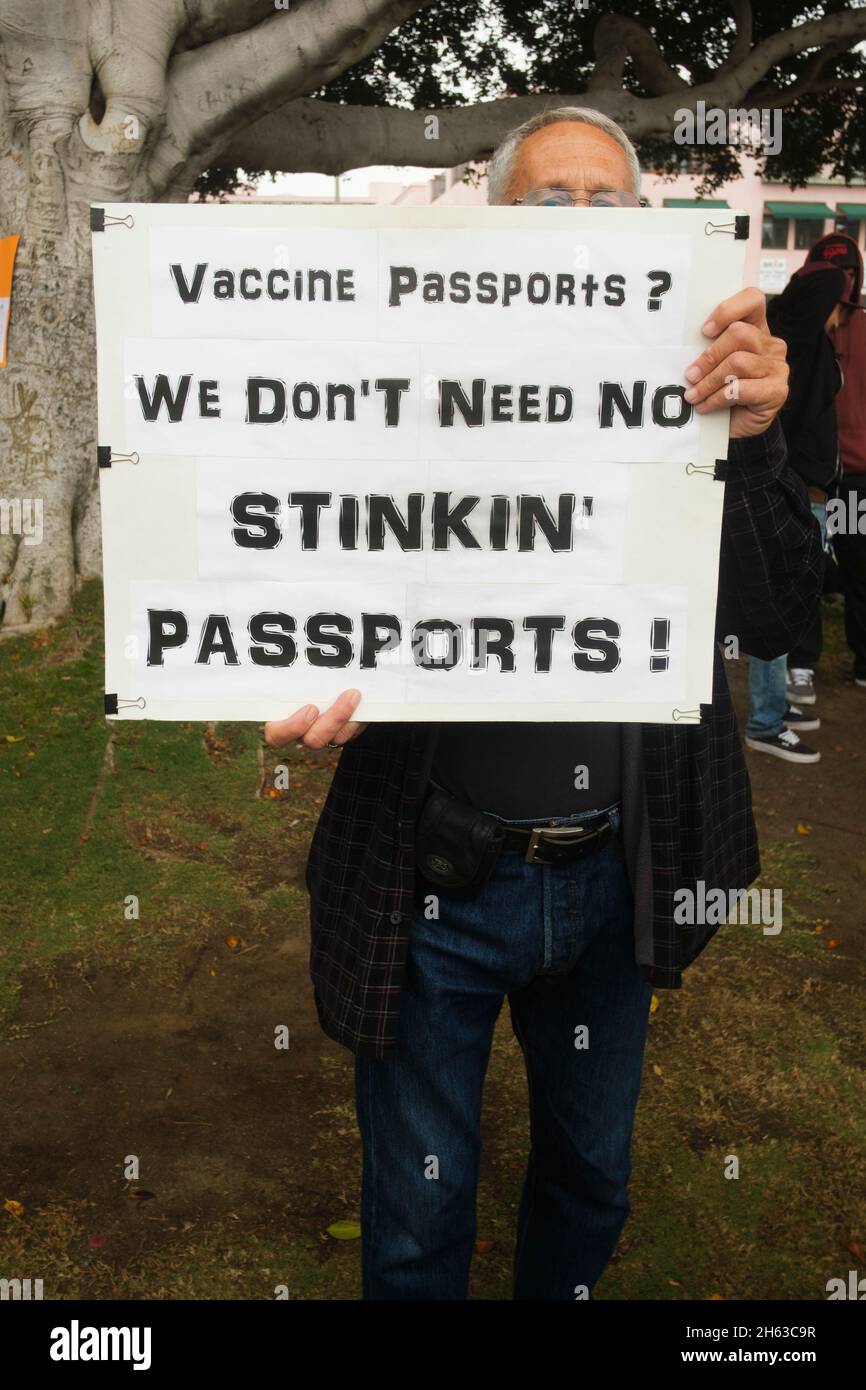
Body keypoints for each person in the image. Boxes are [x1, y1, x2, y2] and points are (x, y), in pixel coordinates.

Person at [265, 108, 822, 1301]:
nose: (577, 223)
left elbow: (775, 620)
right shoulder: (399, 383)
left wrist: (761, 440)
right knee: (416, 1208)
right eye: (544, 200)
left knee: (590, 1174)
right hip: (433, 878)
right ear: (489, 230)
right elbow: (305, 563)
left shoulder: (706, 381)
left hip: (619, 877)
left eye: (604, 202)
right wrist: (290, 674)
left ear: (645, 229)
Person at [744, 261, 848, 762]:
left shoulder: (813, 343)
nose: (843, 314)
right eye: (840, 303)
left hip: (811, 487)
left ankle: (775, 708)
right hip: (797, 487)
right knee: (781, 601)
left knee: (794, 604)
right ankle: (765, 722)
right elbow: (826, 284)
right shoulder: (798, 340)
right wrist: (828, 273)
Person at [806, 232, 866, 689]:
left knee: (856, 567)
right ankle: (802, 664)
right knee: (805, 571)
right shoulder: (803, 325)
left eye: (847, 273)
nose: (841, 283)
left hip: (854, 480)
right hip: (808, 479)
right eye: (831, 274)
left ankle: (862, 660)